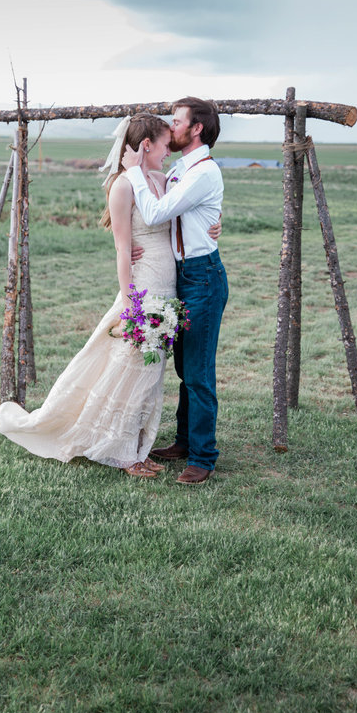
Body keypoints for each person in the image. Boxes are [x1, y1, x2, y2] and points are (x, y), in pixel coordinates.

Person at [0, 112, 221, 479]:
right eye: (164, 145)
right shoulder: (122, 185)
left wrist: (216, 218)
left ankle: (137, 444)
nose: (168, 151)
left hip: (170, 287)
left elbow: (188, 210)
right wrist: (130, 300)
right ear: (146, 144)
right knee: (130, 368)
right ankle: (122, 452)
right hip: (144, 286)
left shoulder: (163, 180)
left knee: (150, 375)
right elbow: (121, 249)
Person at [122, 97, 228, 485]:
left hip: (202, 277)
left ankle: (203, 456)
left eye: (178, 120)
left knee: (198, 372)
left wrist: (132, 172)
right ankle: (184, 441)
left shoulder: (203, 172)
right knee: (185, 368)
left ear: (196, 128)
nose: (173, 126)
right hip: (183, 274)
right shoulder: (185, 168)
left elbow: (155, 212)